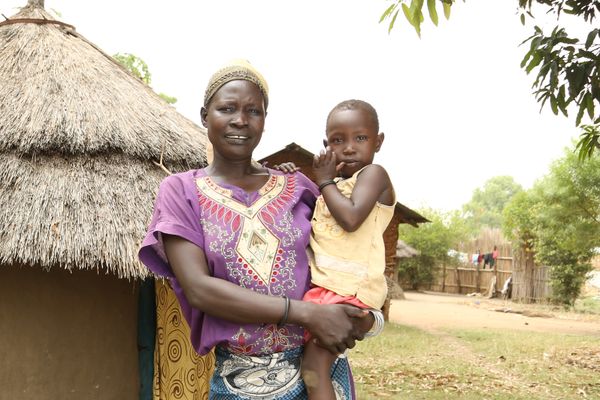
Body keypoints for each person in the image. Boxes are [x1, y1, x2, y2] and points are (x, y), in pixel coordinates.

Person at [138, 60, 374, 399]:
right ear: (205, 116)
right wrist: (307, 313)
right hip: (241, 381)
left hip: (319, 368)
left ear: (265, 119)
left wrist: (364, 317)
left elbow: (350, 253)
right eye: (227, 109)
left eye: (253, 111)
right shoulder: (180, 191)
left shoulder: (298, 187)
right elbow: (200, 289)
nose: (240, 120)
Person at [300, 99, 395, 399]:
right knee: (313, 366)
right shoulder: (335, 186)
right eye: (338, 140)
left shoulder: (374, 175)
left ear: (378, 141)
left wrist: (324, 179)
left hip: (351, 290)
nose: (350, 147)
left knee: (313, 368)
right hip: (329, 289)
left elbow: (351, 218)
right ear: (326, 145)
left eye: (361, 138)